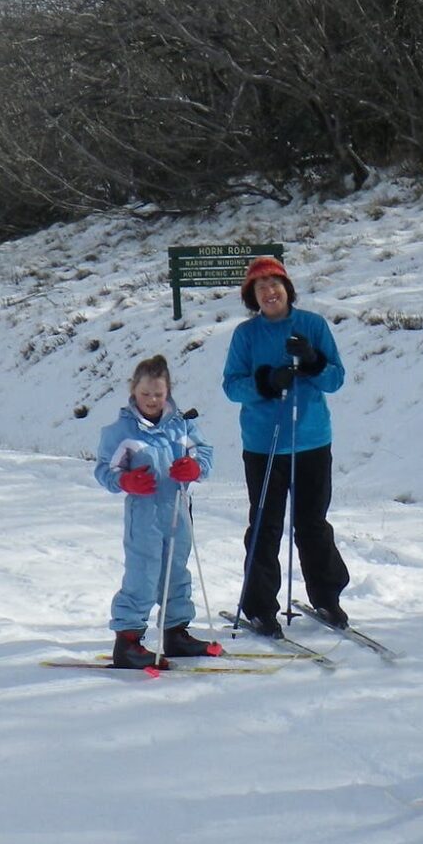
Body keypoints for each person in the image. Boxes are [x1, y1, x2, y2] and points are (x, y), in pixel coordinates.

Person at [221, 255, 351, 636]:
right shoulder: (246, 335)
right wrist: (263, 382)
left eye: (274, 284)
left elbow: (336, 380)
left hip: (311, 439)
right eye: (260, 288)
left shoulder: (313, 325)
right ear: (253, 297)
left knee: (312, 524)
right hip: (264, 444)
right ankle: (260, 606)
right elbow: (231, 385)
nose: (269, 293)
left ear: (287, 288)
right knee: (265, 525)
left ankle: (328, 597)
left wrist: (312, 362)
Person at [94, 355, 219, 669]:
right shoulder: (121, 430)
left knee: (177, 571)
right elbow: (104, 470)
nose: (151, 400)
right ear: (134, 391)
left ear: (168, 393)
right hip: (145, 513)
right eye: (145, 393)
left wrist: (194, 468)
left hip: (177, 509)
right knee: (144, 573)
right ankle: (128, 640)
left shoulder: (181, 425)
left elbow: (204, 453)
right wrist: (125, 480)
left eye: (158, 394)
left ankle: (176, 632)